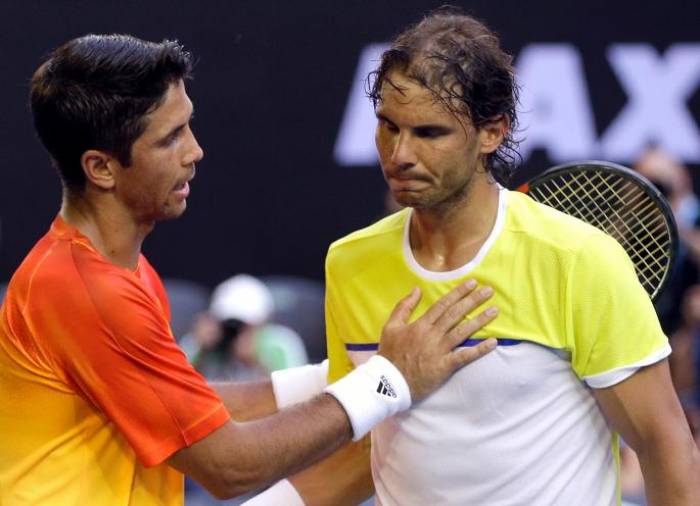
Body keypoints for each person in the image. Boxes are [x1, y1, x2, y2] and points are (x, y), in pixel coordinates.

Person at [0, 34, 501, 505]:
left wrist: (342, 374)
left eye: (188, 126)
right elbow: (227, 467)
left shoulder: (112, 271)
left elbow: (188, 409)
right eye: (170, 138)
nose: (195, 151)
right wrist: (388, 381)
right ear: (101, 168)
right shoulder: (89, 291)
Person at [246, 8, 700, 506]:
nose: (399, 154)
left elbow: (666, 447)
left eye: (429, 133)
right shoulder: (349, 262)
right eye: (388, 126)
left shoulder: (576, 258)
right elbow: (358, 448)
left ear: (492, 132)